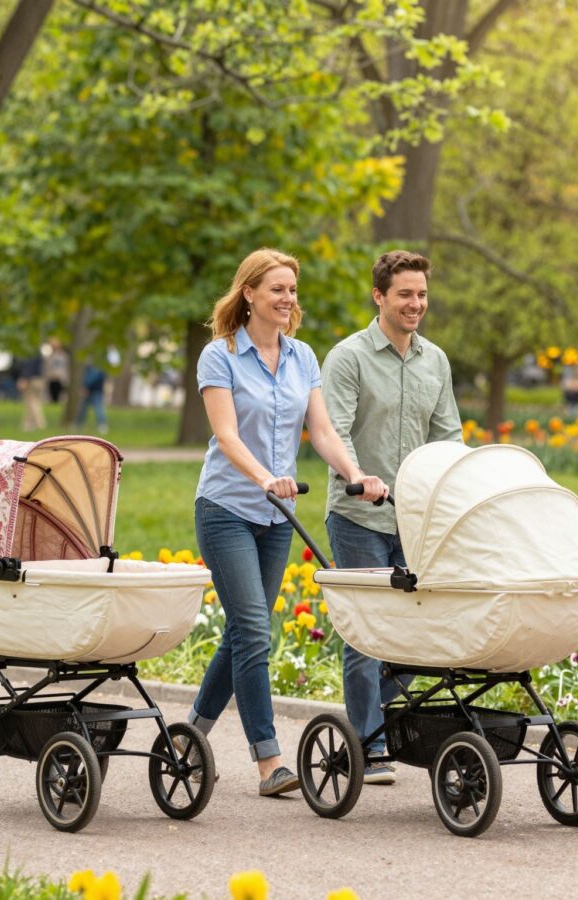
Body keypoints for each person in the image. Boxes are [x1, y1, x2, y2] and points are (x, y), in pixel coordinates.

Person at [187, 248, 387, 797]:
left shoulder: (302, 358)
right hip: (227, 508)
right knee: (253, 630)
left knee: (241, 634)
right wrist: (263, 477)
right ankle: (269, 761)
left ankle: (188, 739)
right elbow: (227, 436)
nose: (287, 299)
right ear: (249, 292)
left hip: (279, 516)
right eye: (277, 289)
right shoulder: (220, 356)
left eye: (292, 291)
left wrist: (357, 474)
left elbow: (321, 432)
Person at [321, 250, 462, 785]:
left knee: (408, 637)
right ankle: (369, 742)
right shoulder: (349, 358)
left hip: (415, 521)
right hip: (359, 516)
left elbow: (447, 437)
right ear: (379, 296)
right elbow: (331, 430)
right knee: (366, 636)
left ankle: (396, 733)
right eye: (405, 294)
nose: (416, 304)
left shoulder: (435, 360)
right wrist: (360, 476)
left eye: (421, 294)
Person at [16, 351, 47, 431]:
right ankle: (28, 425)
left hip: (32, 380)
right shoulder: (38, 351)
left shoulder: (31, 350)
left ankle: (40, 423)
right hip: (39, 379)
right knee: (33, 402)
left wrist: (24, 378)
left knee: (32, 403)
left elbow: (29, 366)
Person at [75, 361, 108, 434]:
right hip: (89, 391)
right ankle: (78, 424)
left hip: (96, 391)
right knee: (83, 410)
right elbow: (86, 378)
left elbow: (94, 378)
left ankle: (102, 425)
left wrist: (86, 387)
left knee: (98, 409)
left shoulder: (99, 366)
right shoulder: (88, 366)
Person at [45, 339, 69, 404]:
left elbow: (65, 367)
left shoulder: (64, 356)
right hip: (52, 377)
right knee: (52, 394)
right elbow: (48, 366)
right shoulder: (49, 355)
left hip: (61, 378)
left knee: (60, 395)